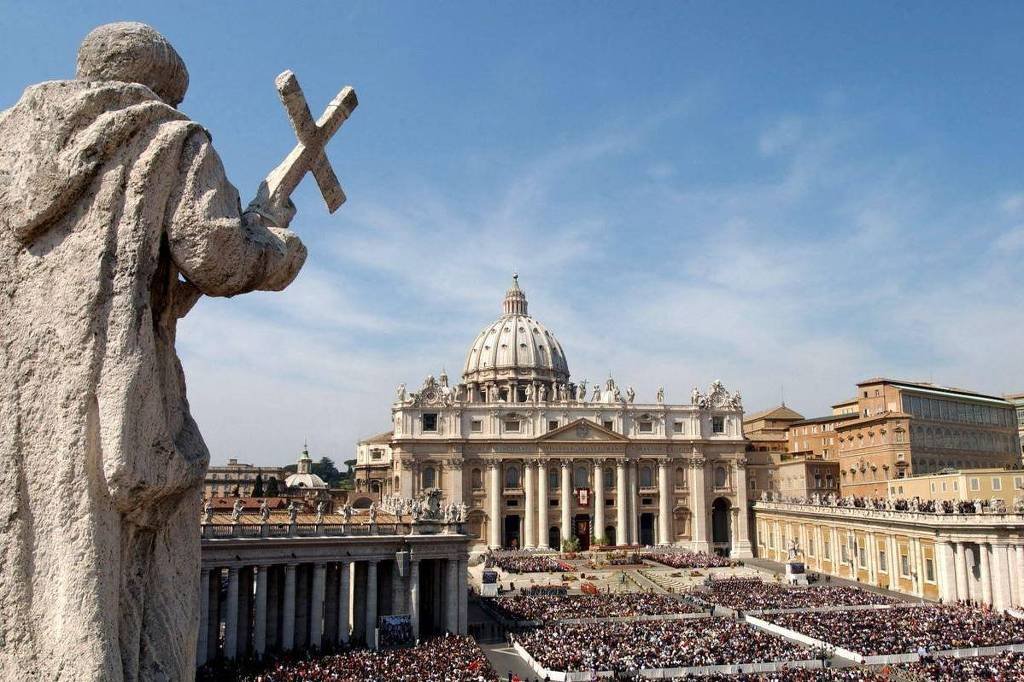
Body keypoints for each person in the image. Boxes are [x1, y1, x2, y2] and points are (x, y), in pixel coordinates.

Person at [0, 22, 305, 681]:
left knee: (32, 557)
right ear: (165, 88)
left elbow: (135, 281)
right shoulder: (170, 136)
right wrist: (276, 243)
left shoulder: (10, 140)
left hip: (17, 390)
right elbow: (219, 258)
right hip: (108, 387)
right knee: (112, 562)